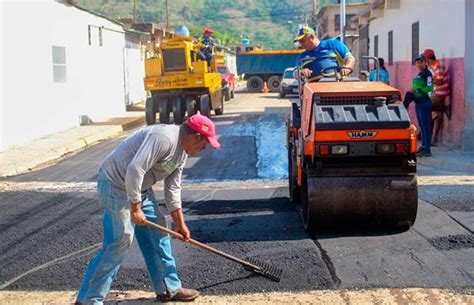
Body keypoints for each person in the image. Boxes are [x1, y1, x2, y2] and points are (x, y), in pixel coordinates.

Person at [74, 114, 221, 305]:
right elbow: (135, 169)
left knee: (158, 233)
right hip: (115, 184)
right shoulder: (165, 138)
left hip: (140, 187)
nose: (204, 148)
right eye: (205, 143)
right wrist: (135, 208)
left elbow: (173, 188)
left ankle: (168, 288)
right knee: (120, 240)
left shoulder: (182, 152)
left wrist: (179, 224)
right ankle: (87, 299)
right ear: (196, 137)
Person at [402, 54, 434, 157]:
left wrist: (418, 90)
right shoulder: (420, 74)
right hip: (418, 102)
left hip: (424, 102)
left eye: (420, 62)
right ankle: (423, 146)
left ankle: (427, 148)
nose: (418, 64)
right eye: (417, 62)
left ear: (425, 63)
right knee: (421, 125)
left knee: (426, 126)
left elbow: (430, 88)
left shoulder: (427, 74)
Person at [423, 49, 450, 146]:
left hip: (439, 93)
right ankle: (432, 139)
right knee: (437, 115)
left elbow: (439, 82)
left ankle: (425, 136)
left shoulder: (438, 66)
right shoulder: (432, 66)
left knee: (424, 107)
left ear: (428, 59)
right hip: (434, 92)